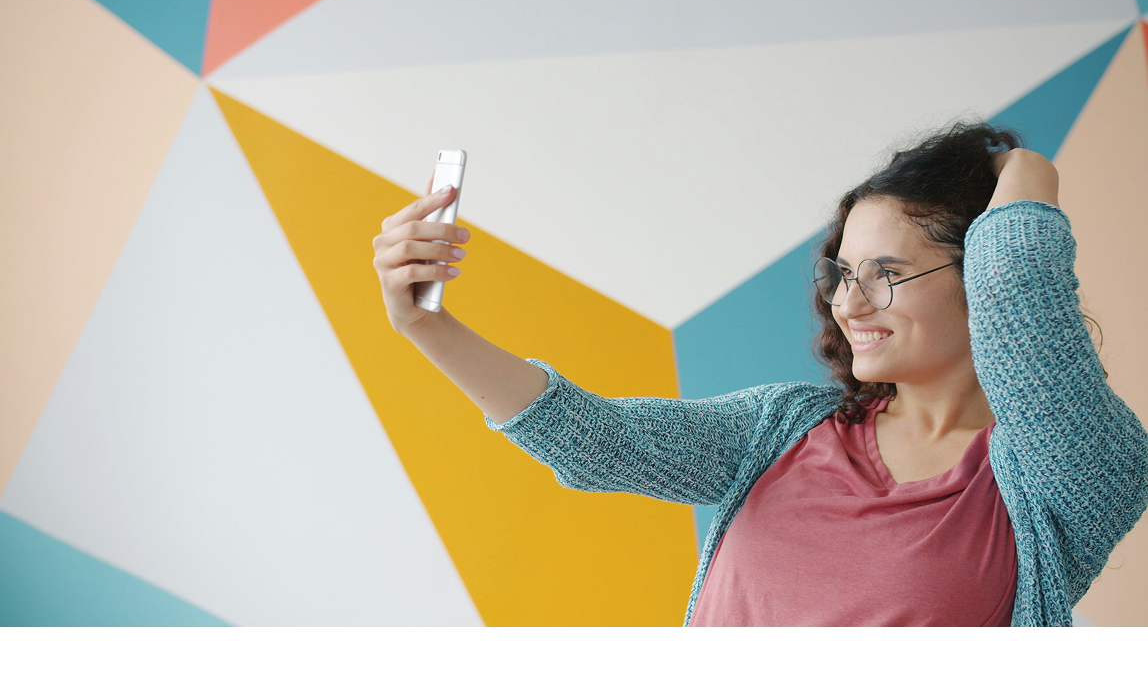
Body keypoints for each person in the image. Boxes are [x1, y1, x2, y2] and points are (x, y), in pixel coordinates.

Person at [372, 123, 1148, 626]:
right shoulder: (786, 428)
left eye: (886, 273)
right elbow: (597, 442)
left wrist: (1021, 163)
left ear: (976, 274)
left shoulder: (1067, 480)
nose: (850, 302)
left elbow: (1016, 284)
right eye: (843, 272)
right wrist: (425, 325)